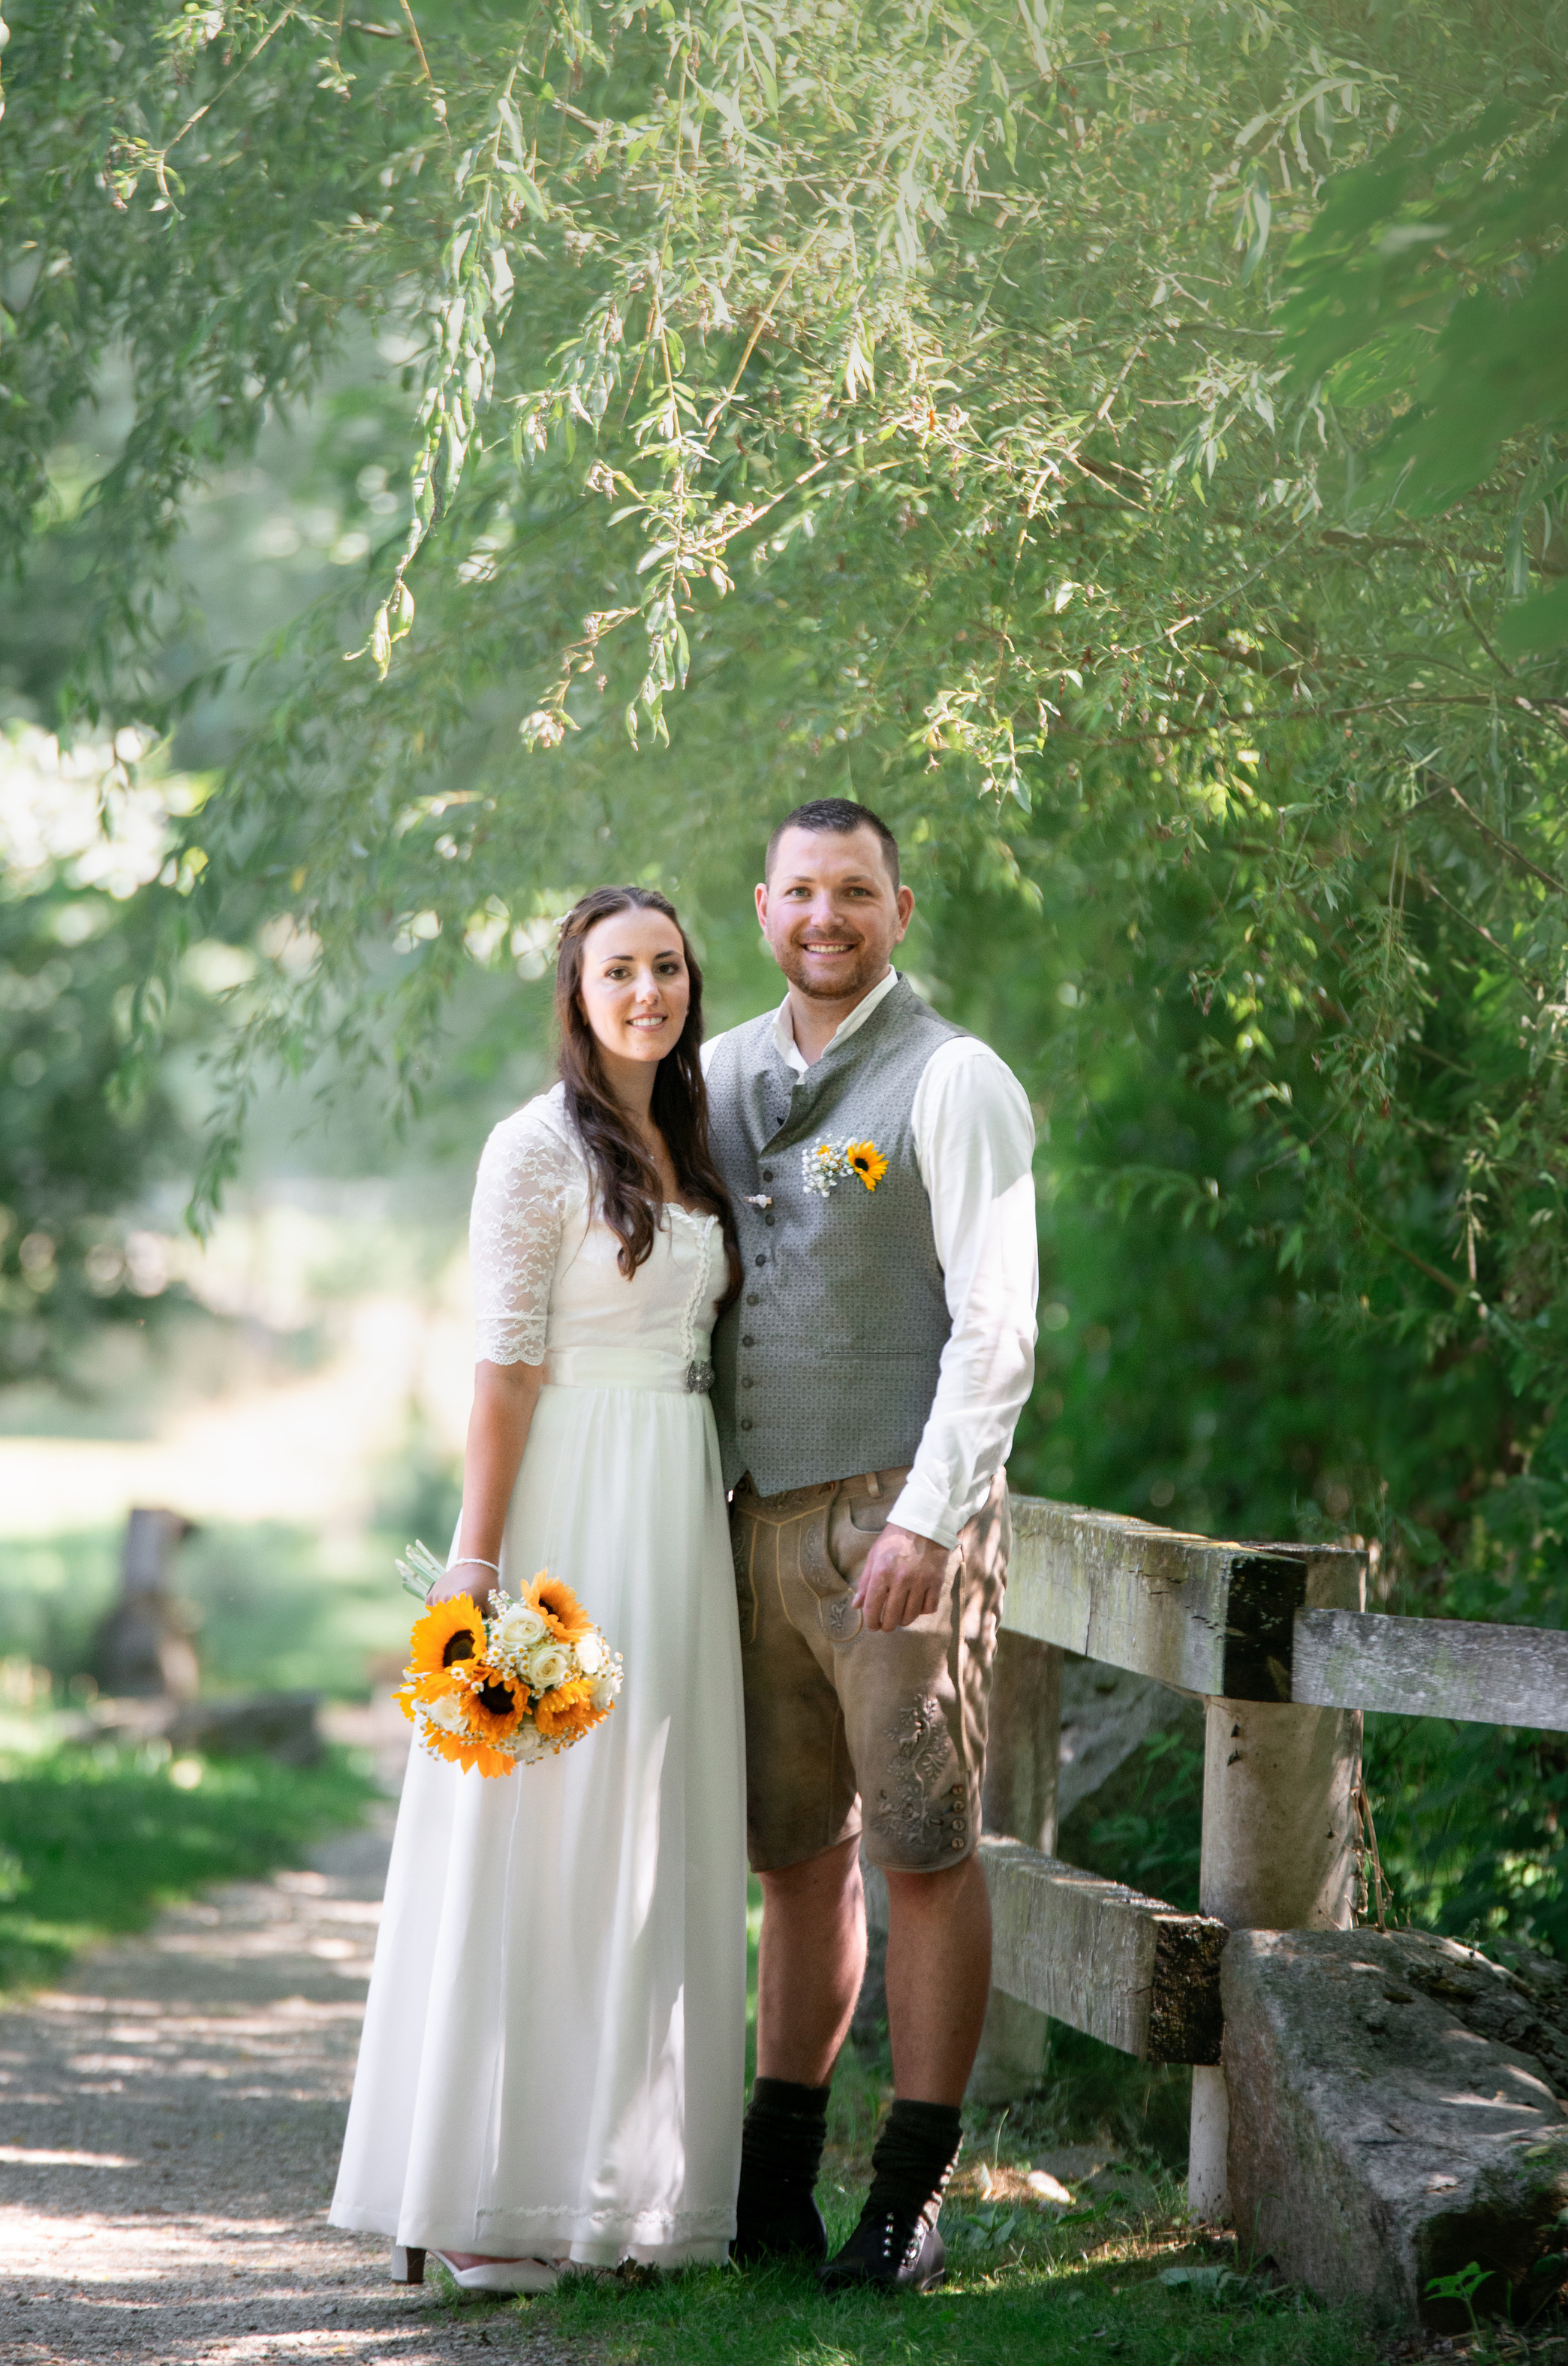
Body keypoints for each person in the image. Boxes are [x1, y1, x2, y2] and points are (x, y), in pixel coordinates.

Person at [330, 887, 748, 2289]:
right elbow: (504, 1368)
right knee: (537, 1831)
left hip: (675, 1502)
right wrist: (477, 1559)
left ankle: (622, 2191)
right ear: (577, 994)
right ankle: (477, 2188)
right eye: (618, 971)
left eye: (667, 968)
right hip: (570, 1499)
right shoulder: (535, 1147)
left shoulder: (696, 1138)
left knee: (651, 1833)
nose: (648, 992)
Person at [703, 799, 1038, 2293]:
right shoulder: (714, 1076)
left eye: (854, 891)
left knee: (922, 1852)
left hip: (895, 1522)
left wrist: (929, 1517)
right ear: (761, 908)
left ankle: (909, 2196)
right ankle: (775, 2181)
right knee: (793, 1859)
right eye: (800, 891)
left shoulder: (953, 1079)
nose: (824, 915)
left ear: (899, 909)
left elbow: (998, 1324)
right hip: (745, 1521)